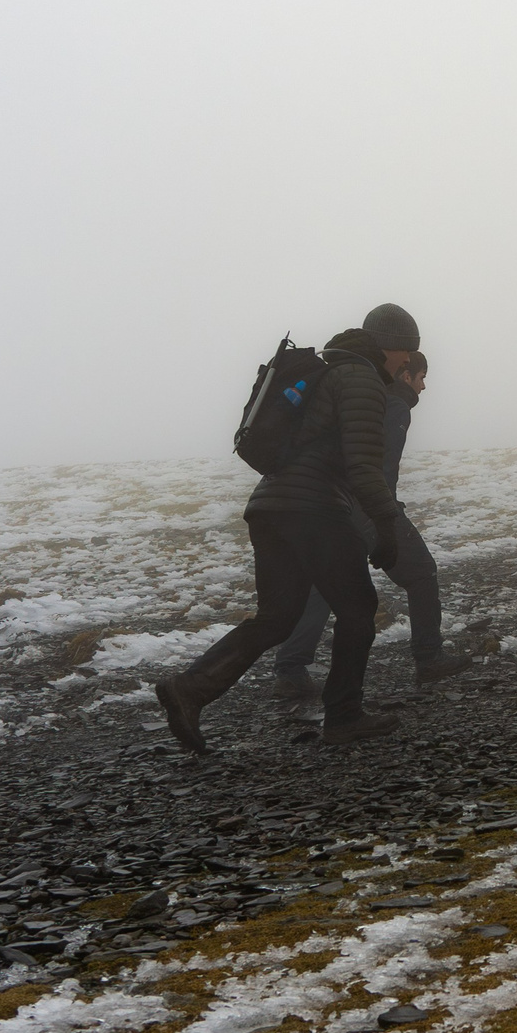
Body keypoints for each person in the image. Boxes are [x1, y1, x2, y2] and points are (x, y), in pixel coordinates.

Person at [157, 305, 417, 748]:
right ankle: (343, 716)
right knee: (357, 608)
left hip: (270, 506)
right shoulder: (362, 380)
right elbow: (364, 465)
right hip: (313, 509)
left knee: (277, 616)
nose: (406, 366)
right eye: (408, 357)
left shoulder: (326, 373)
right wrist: (387, 526)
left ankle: (191, 690)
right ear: (395, 349)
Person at [266, 348, 469, 712]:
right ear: (406, 374)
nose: (424, 387)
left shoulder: (362, 394)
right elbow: (379, 465)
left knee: (325, 585)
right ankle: (429, 657)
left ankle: (290, 671)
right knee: (421, 573)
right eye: (421, 377)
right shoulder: (395, 406)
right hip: (365, 507)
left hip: (333, 504)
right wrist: (385, 513)